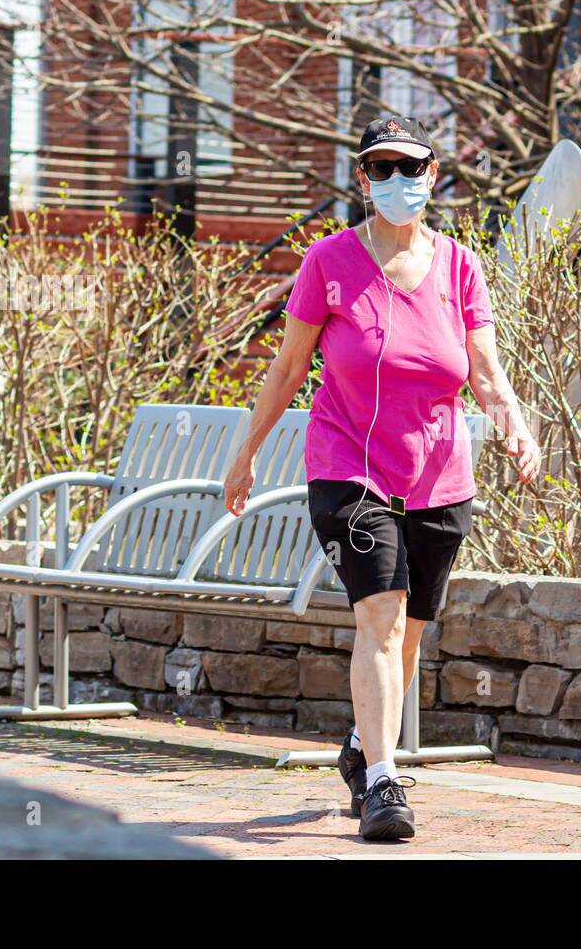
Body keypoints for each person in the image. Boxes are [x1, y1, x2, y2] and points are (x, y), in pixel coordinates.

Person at [223, 116, 540, 841]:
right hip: (348, 469)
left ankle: (365, 747)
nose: (398, 180)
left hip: (439, 477)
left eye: (411, 167)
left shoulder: (460, 266)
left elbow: (486, 374)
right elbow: (288, 370)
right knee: (381, 617)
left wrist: (517, 425)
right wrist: (244, 454)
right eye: (381, 168)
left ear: (433, 175)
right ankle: (383, 785)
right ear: (363, 180)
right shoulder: (328, 263)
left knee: (411, 635)